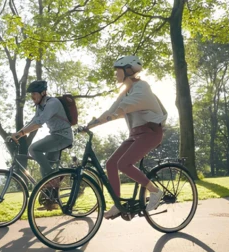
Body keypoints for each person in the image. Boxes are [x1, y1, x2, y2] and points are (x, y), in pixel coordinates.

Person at [86, 56, 167, 219]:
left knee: (124, 164)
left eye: (118, 70)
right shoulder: (125, 92)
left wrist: (115, 114)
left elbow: (127, 105)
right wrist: (90, 125)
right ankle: (118, 204)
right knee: (111, 164)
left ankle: (155, 191)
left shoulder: (142, 87)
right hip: (136, 135)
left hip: (151, 133)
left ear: (128, 70)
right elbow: (112, 110)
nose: (116, 74)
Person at [11, 80, 74, 178]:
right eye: (31, 94)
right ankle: (51, 189)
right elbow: (34, 120)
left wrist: (21, 134)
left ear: (43, 93)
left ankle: (53, 178)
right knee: (44, 169)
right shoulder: (40, 106)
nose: (32, 96)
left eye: (34, 93)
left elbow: (39, 123)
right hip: (55, 136)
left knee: (33, 149)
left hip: (62, 136)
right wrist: (19, 133)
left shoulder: (52, 103)